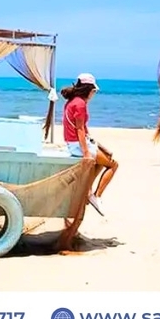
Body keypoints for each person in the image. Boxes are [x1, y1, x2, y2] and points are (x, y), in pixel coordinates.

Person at [61, 72, 119, 216]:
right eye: (94, 91)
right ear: (89, 90)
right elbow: (80, 129)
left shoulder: (73, 101)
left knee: (104, 160)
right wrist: (87, 153)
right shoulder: (80, 104)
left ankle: (88, 191)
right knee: (113, 165)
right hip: (77, 145)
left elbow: (85, 131)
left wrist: (102, 148)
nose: (94, 94)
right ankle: (96, 196)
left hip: (73, 143)